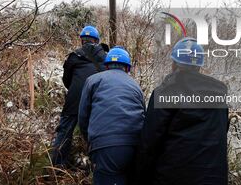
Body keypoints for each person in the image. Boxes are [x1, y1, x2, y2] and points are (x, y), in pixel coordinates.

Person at [136, 37, 229, 185]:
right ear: (199, 66)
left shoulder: (165, 92)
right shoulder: (219, 96)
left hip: (173, 177)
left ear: (174, 63)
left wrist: (139, 177)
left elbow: (149, 142)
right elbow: (221, 133)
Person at [79, 46, 145, 185]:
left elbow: (83, 116)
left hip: (105, 145)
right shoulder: (135, 86)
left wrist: (90, 141)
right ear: (127, 68)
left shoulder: (93, 80)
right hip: (134, 144)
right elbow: (143, 114)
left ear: (107, 65)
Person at [51, 25, 107, 168]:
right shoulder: (106, 58)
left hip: (74, 100)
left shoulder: (74, 56)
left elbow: (66, 80)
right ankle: (96, 165)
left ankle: (57, 167)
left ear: (82, 41)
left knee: (64, 132)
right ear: (96, 41)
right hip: (97, 101)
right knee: (97, 133)